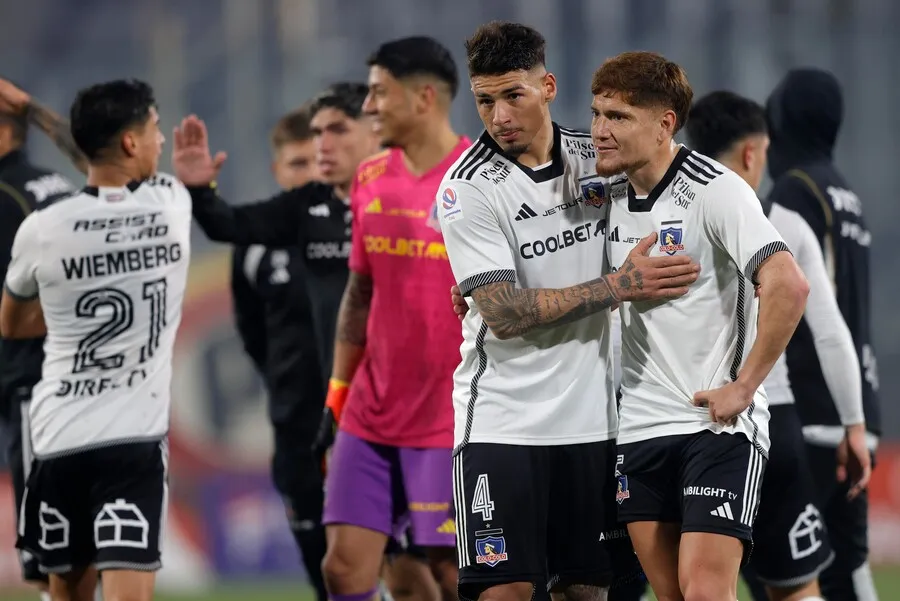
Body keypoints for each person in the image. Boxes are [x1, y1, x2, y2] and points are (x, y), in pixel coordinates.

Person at [439, 23, 698, 601]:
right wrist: (617, 285)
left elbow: (674, 190)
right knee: (503, 593)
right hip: (503, 424)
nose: (499, 115)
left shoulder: (596, 160)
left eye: (513, 96)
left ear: (548, 86)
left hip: (597, 424)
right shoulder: (468, 188)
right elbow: (503, 314)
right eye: (485, 100)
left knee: (587, 593)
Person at [590, 52, 811, 601]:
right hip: (639, 425)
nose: (598, 131)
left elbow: (788, 284)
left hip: (716, 426)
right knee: (672, 595)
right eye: (596, 114)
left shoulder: (716, 189)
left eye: (617, 117)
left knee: (706, 590)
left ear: (665, 124)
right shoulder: (605, 196)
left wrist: (745, 386)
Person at [3, 79, 190, 601]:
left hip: (57, 438)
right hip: (132, 441)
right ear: (131, 142)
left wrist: (67, 319)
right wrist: (35, 110)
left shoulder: (43, 228)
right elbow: (90, 153)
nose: (162, 142)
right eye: (154, 130)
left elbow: (12, 324)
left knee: (65, 595)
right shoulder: (170, 206)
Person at [315, 36, 470, 601]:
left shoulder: (481, 183)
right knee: (343, 568)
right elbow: (359, 295)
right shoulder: (369, 178)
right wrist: (336, 398)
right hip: (370, 412)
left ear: (423, 97)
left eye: (380, 93)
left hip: (447, 417)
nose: (370, 106)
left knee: (450, 575)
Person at [762, 67, 881, 601]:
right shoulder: (845, 192)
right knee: (845, 571)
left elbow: (789, 295)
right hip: (856, 410)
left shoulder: (794, 189)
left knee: (788, 576)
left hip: (811, 410)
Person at [229, 105, 328, 601]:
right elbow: (250, 330)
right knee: (319, 562)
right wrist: (282, 379)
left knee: (401, 561)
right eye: (296, 164)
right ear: (277, 170)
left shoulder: (354, 226)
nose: (309, 174)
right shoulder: (253, 244)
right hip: (295, 423)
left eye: (316, 161)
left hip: (363, 419)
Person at [0, 103, 77, 601]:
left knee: (50, 549)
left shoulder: (4, 196)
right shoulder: (57, 182)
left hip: (28, 374)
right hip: (66, 370)